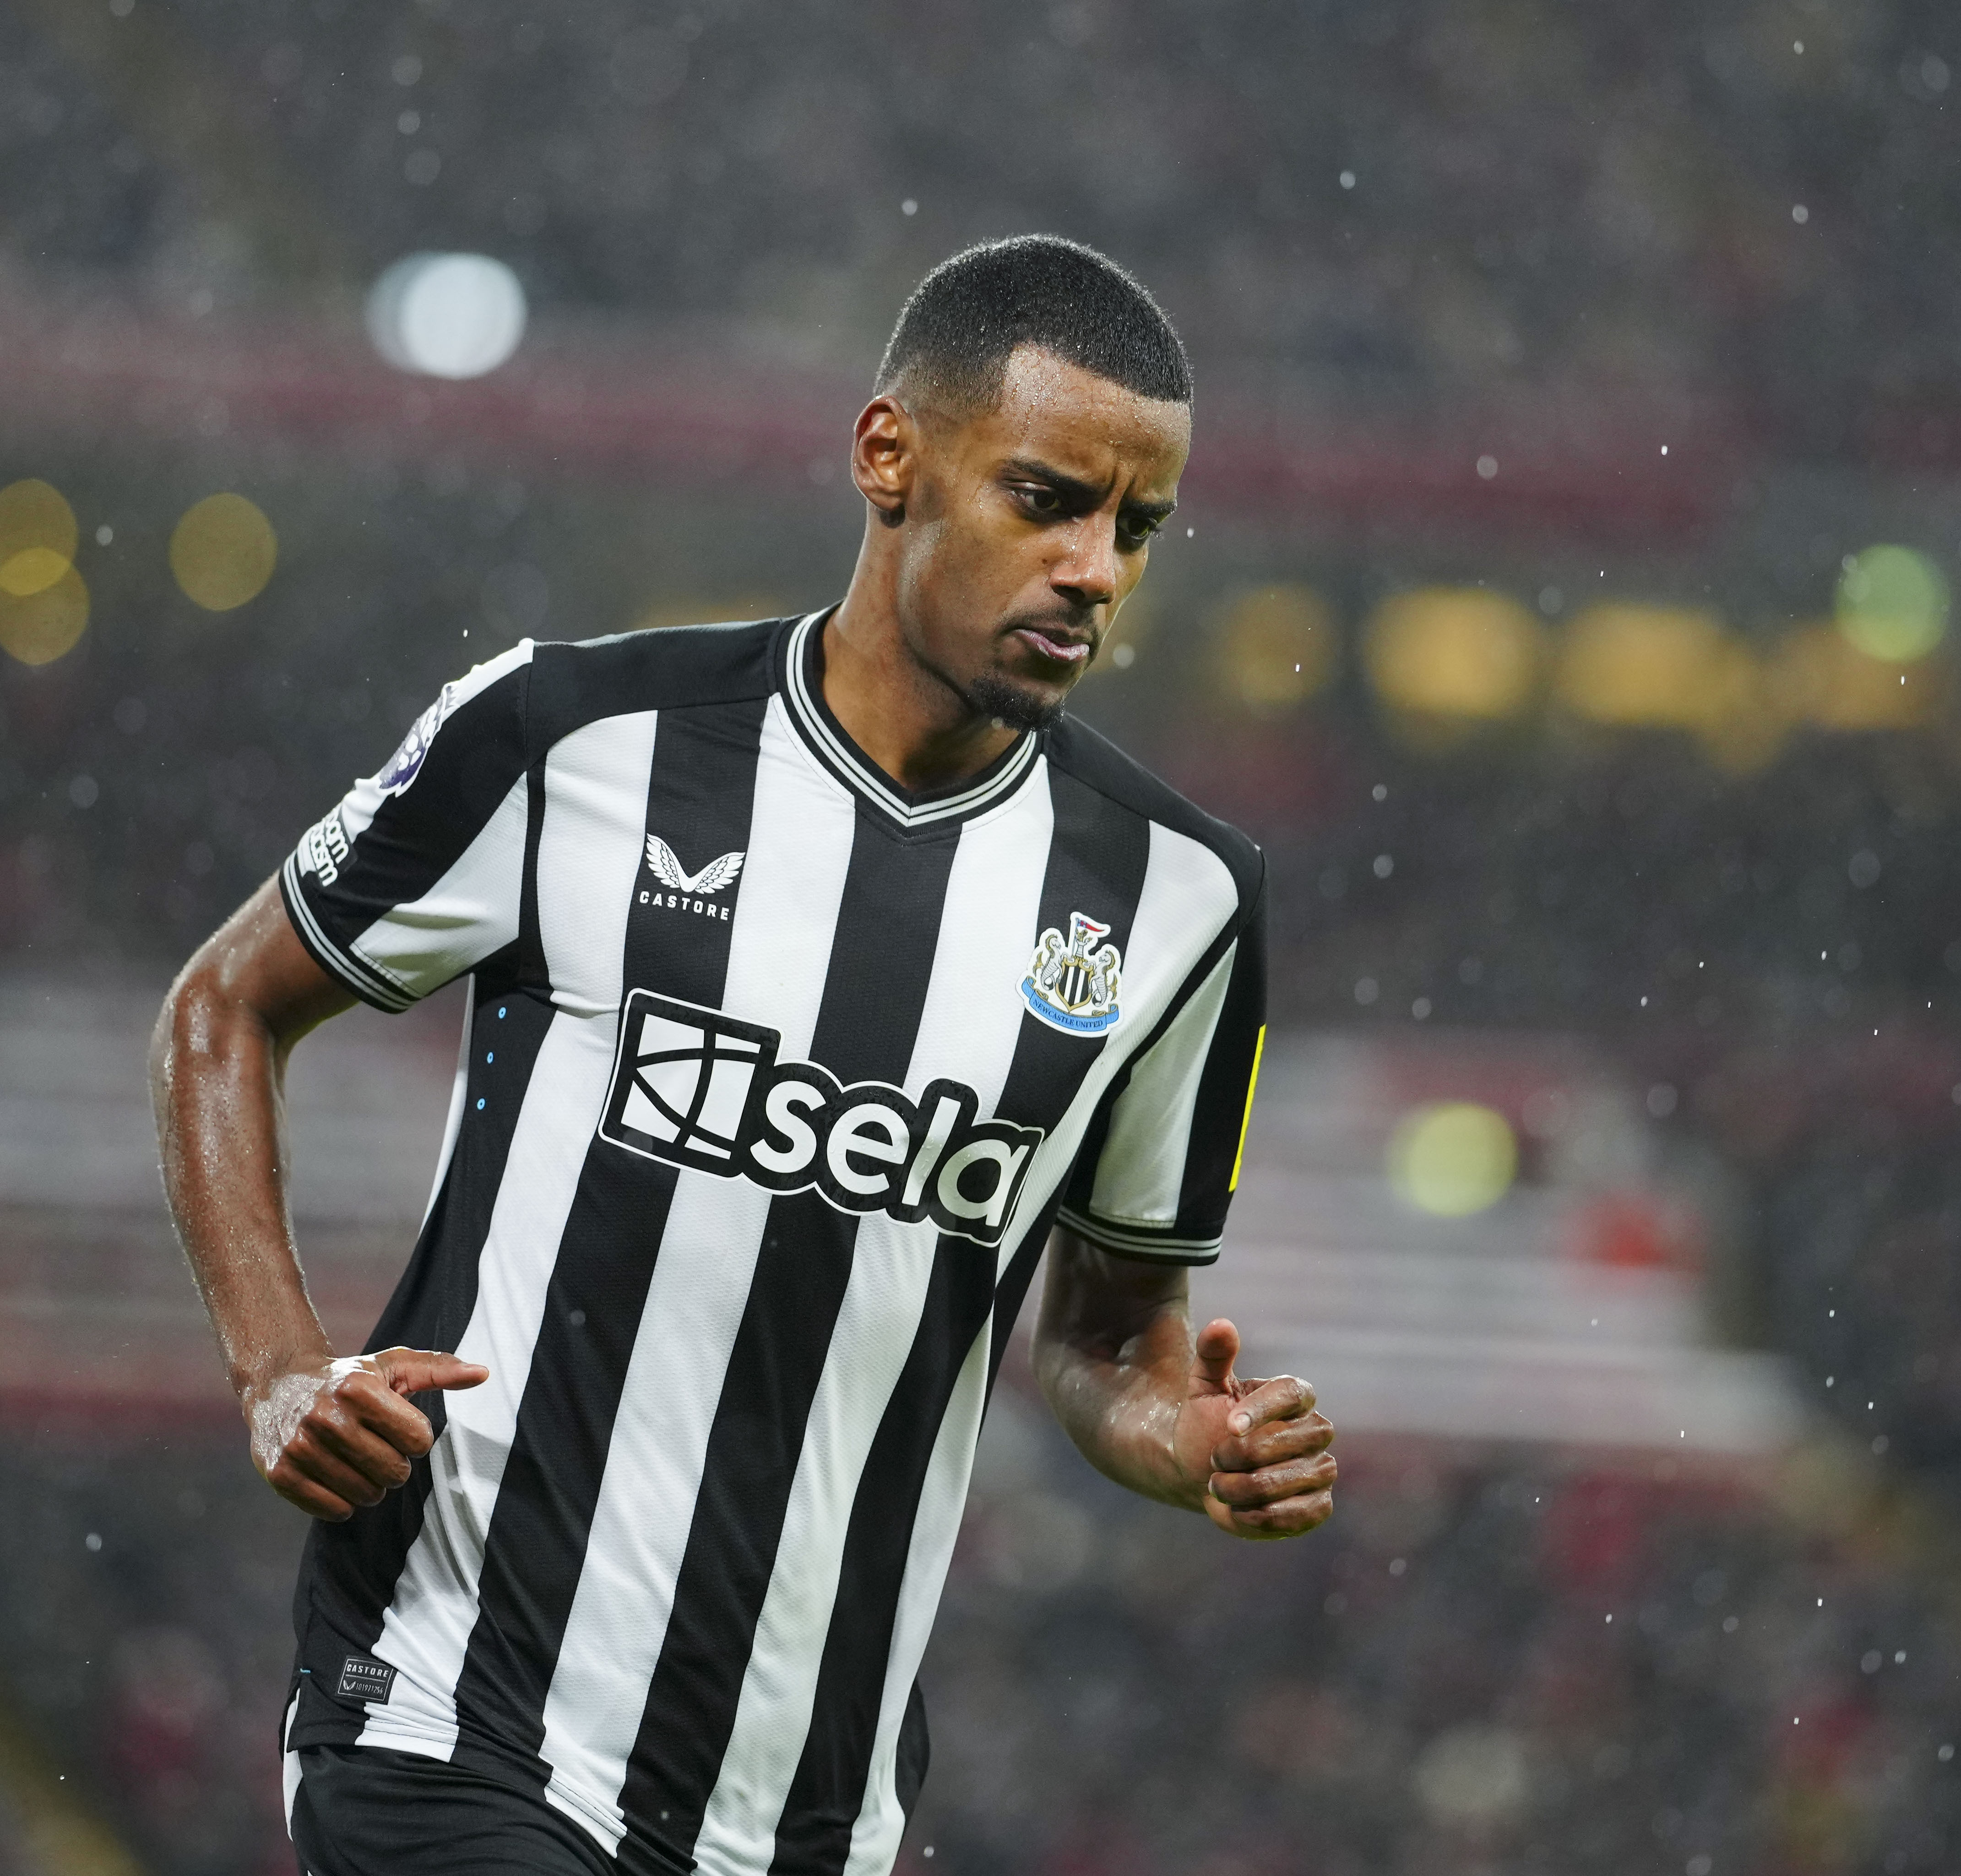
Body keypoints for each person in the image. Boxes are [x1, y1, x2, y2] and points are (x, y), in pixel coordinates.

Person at [148, 235, 1335, 1876]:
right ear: (888, 456)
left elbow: (1109, 1329)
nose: (1096, 569)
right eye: (1048, 499)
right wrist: (277, 1362)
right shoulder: (575, 739)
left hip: (804, 1809)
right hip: (450, 1709)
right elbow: (225, 1005)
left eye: (1135, 529)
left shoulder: (1182, 896)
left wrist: (1182, 1438)